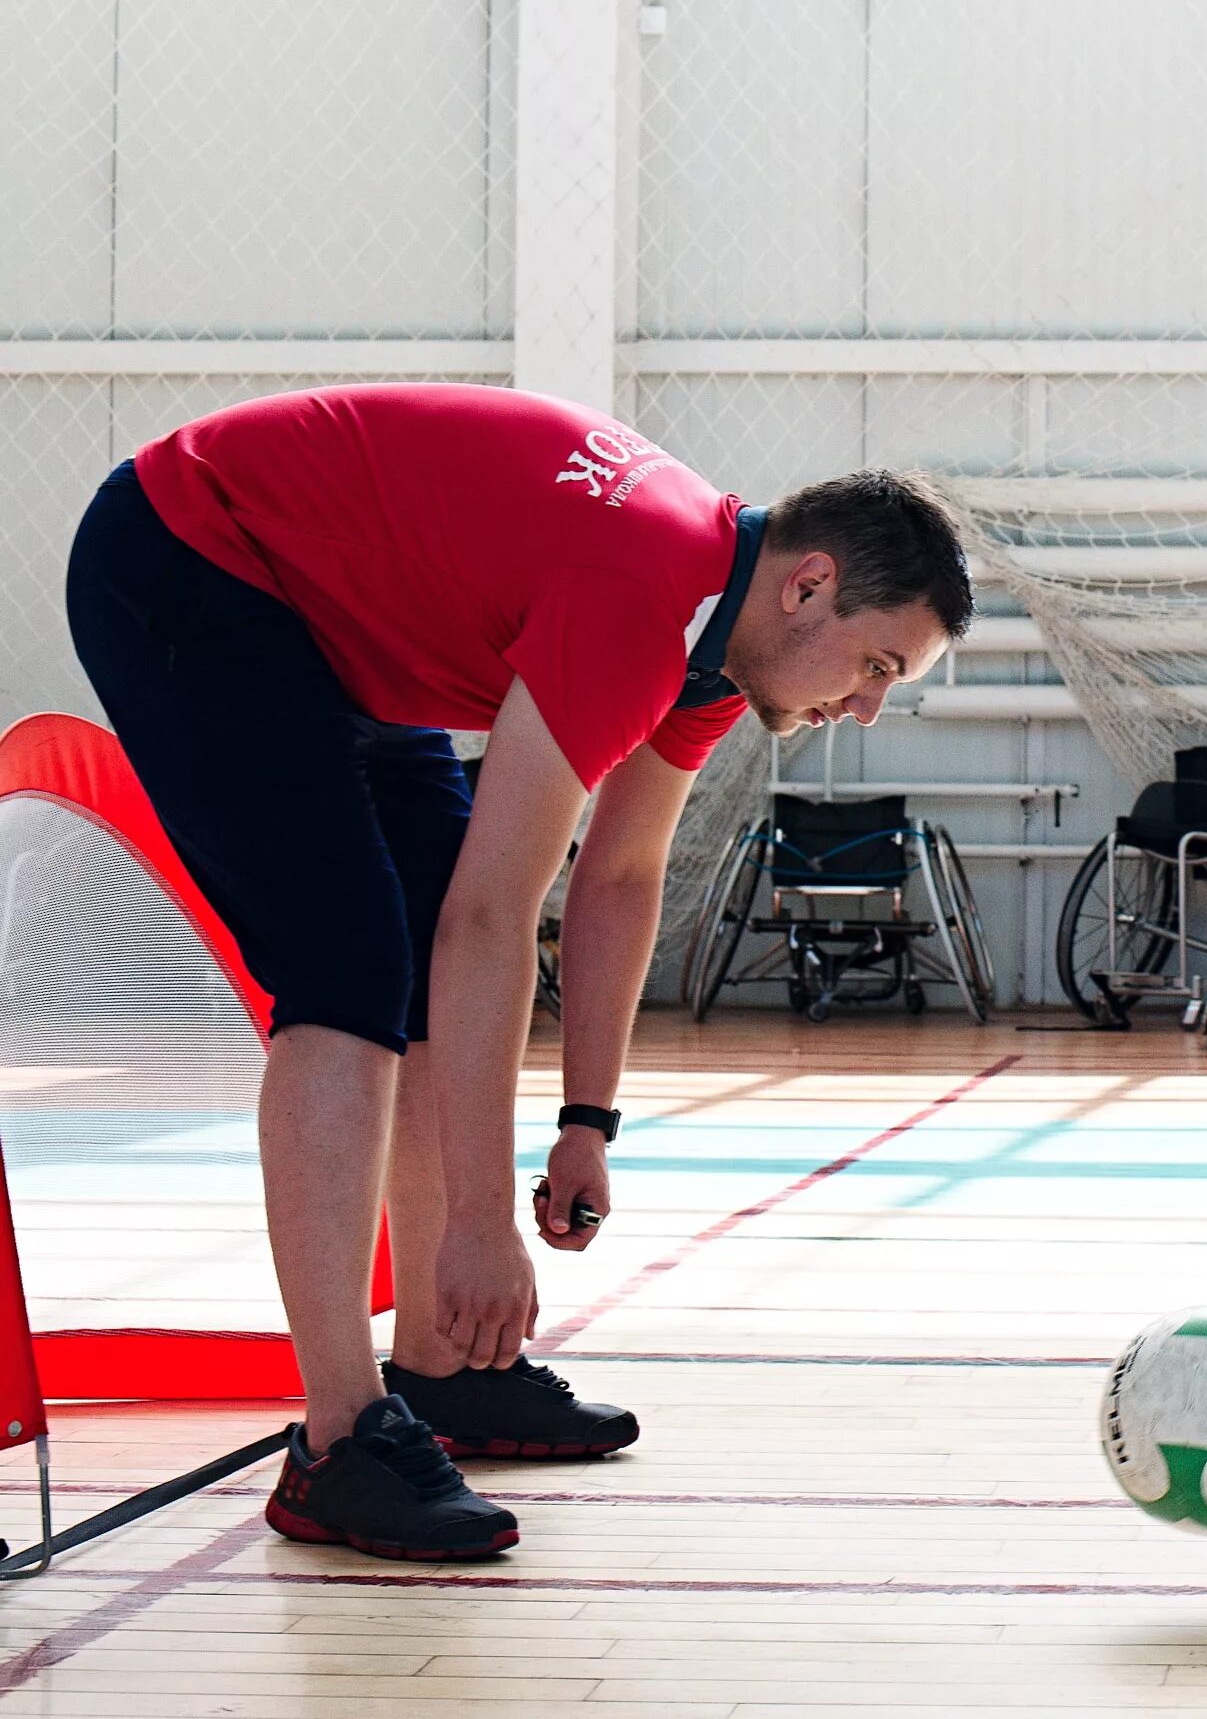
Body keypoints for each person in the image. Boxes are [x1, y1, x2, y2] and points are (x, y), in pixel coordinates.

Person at [63, 382, 972, 1559]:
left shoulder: (712, 640)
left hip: (328, 622)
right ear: (810, 585)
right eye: (878, 664)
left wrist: (587, 1121)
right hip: (191, 554)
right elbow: (491, 923)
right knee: (348, 963)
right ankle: (337, 1444)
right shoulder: (641, 599)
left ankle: (443, 1367)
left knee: (414, 931)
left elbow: (619, 876)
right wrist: (483, 1227)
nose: (868, 708)